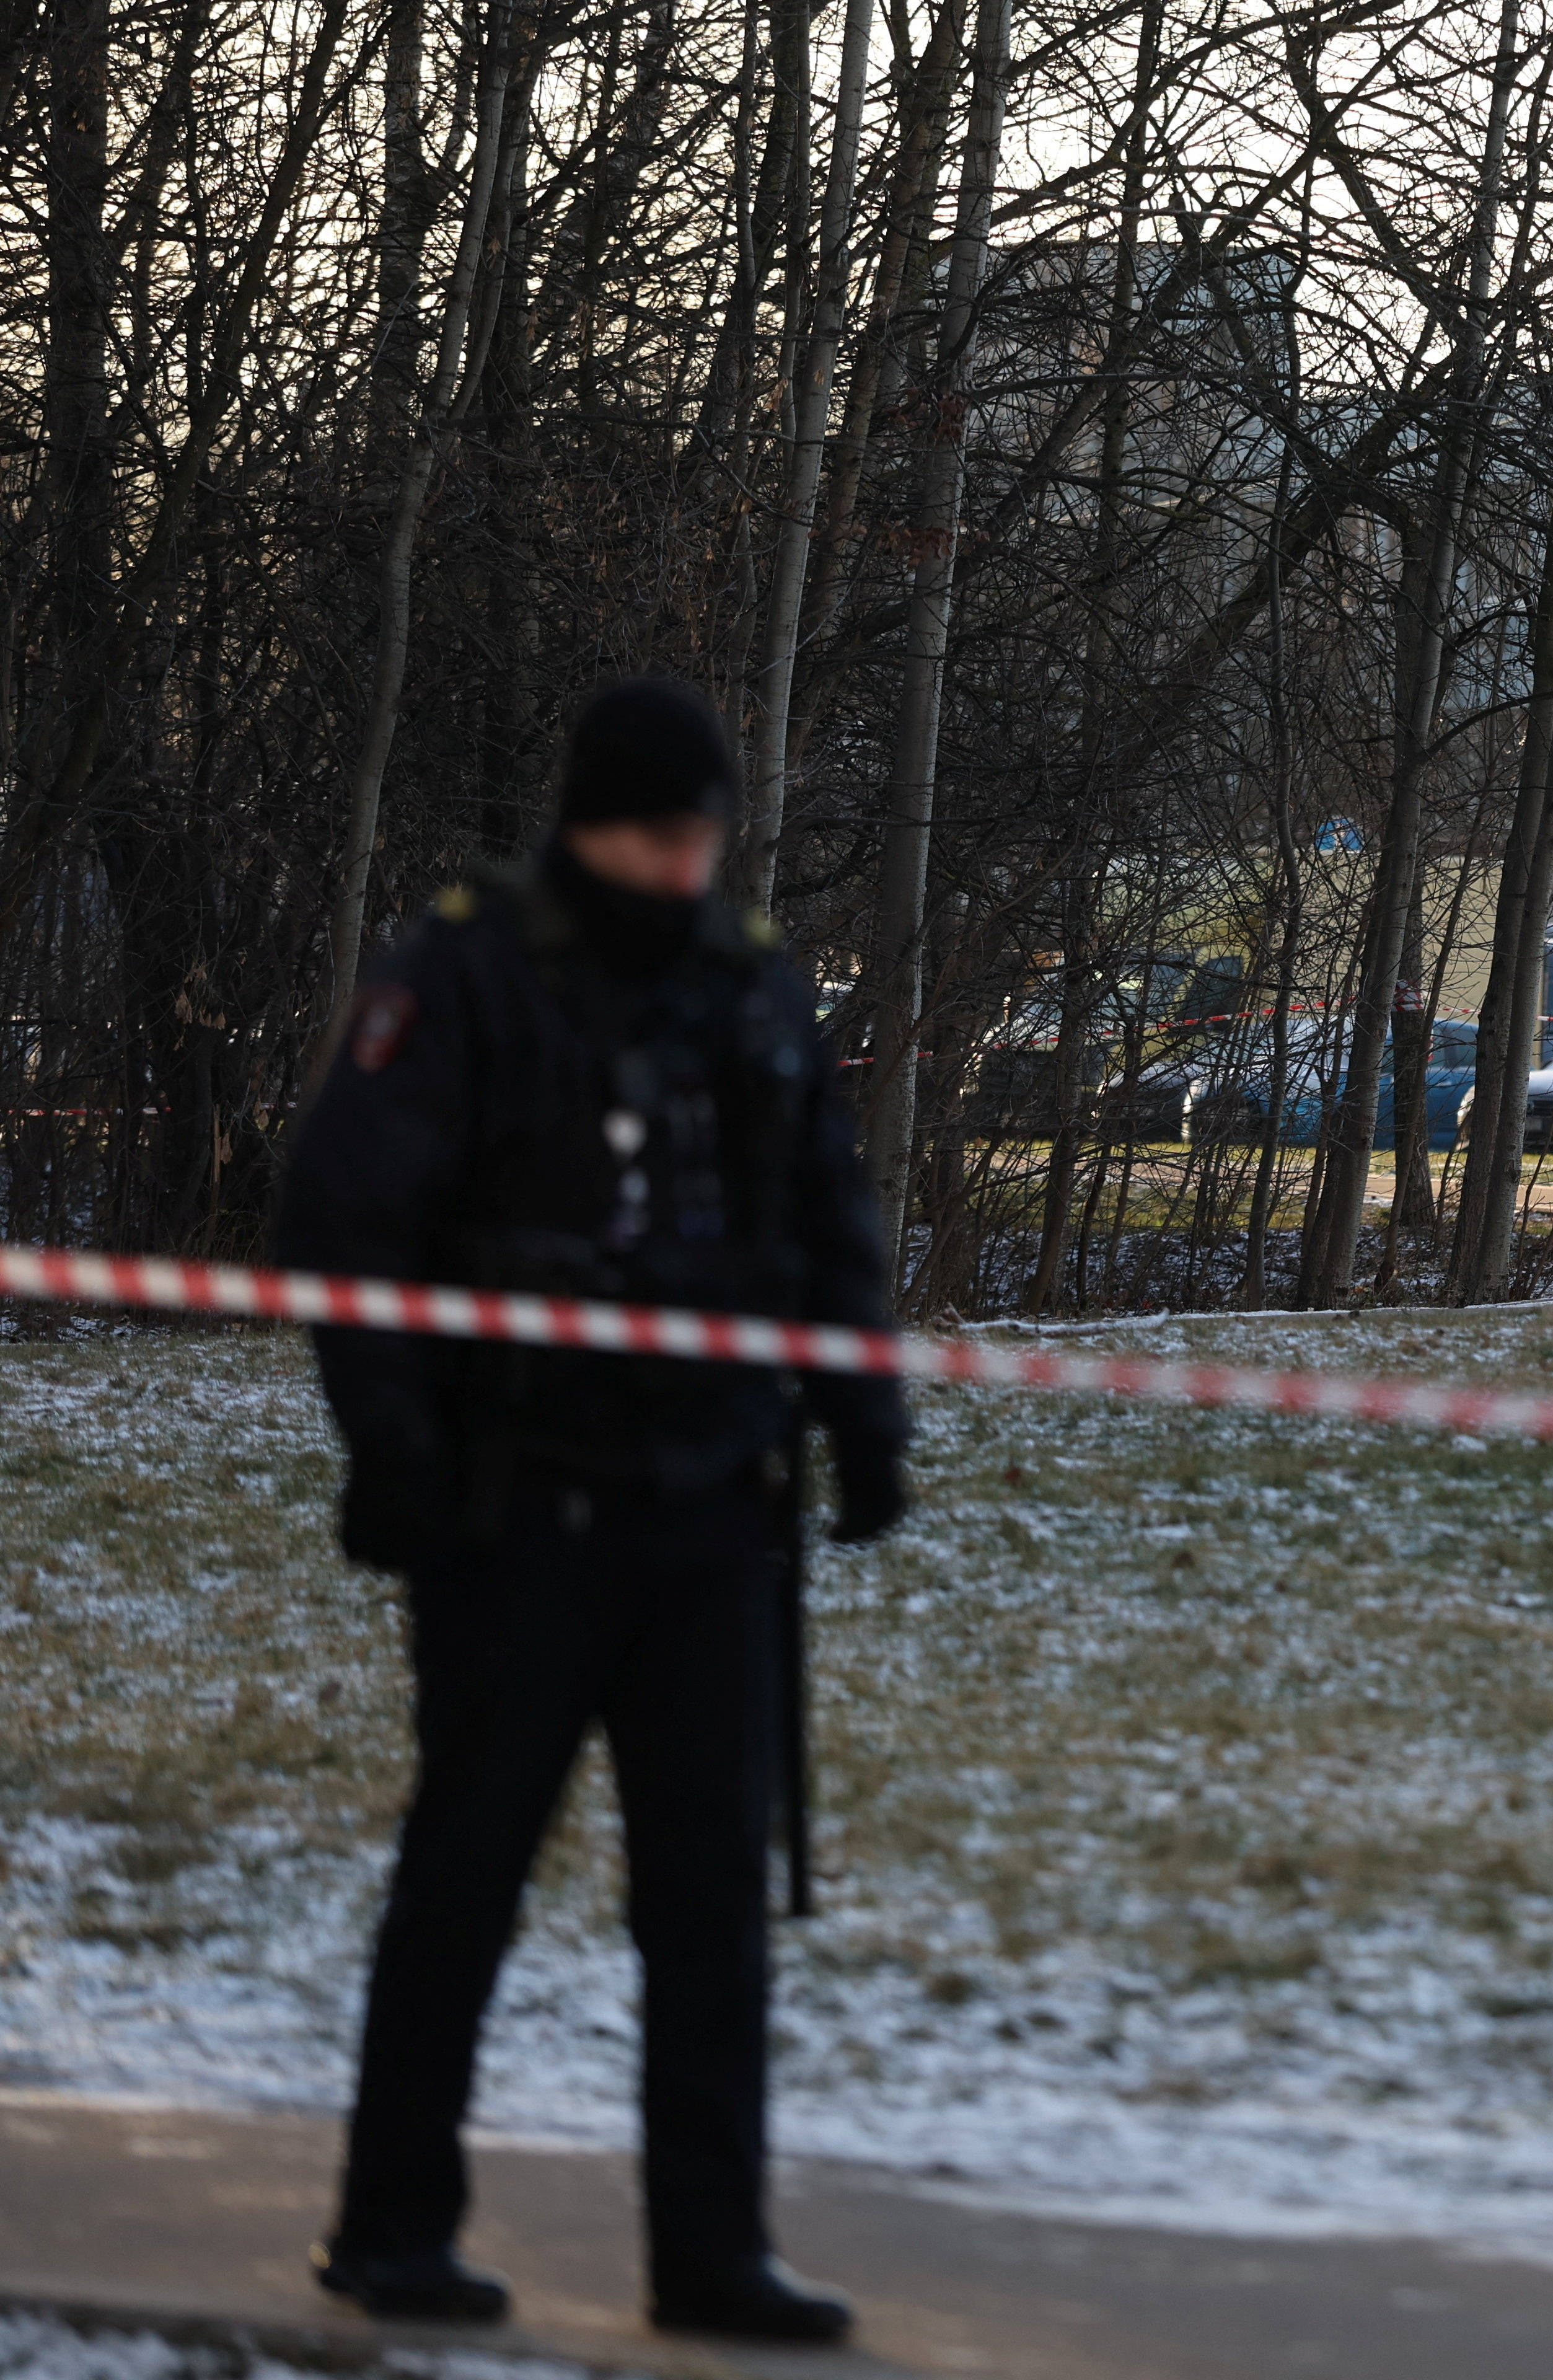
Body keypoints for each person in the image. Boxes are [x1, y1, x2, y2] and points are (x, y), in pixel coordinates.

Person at [273, 677, 909, 2343]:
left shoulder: (747, 982)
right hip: (515, 1511)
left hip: (713, 1515)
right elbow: (343, 1217)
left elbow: (827, 1219)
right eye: (660, 836)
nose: (685, 866)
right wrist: (392, 1445)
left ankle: (713, 2254)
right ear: (593, 824)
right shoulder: (468, 973)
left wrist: (864, 1418)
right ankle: (391, 2226)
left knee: (710, 1904)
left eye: (705, 837)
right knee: (466, 1872)